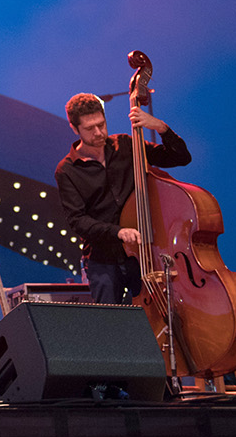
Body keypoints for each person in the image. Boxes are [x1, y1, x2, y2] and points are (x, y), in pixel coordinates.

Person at [55, 93, 191, 305]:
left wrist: (161, 128)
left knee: (156, 317)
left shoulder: (127, 145)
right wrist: (118, 232)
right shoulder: (67, 170)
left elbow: (181, 158)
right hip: (103, 261)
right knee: (112, 327)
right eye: (90, 129)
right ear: (74, 128)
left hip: (143, 255)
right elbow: (77, 220)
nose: (99, 132)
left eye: (101, 124)